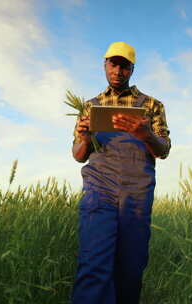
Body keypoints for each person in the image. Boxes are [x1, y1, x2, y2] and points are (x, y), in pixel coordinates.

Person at [70, 41, 171, 304]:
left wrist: (145, 133)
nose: (118, 70)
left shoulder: (152, 105)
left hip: (137, 191)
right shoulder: (90, 106)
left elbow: (164, 149)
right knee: (93, 261)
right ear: (104, 65)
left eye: (124, 66)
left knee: (131, 265)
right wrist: (83, 136)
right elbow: (79, 155)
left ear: (132, 69)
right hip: (99, 189)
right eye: (113, 64)